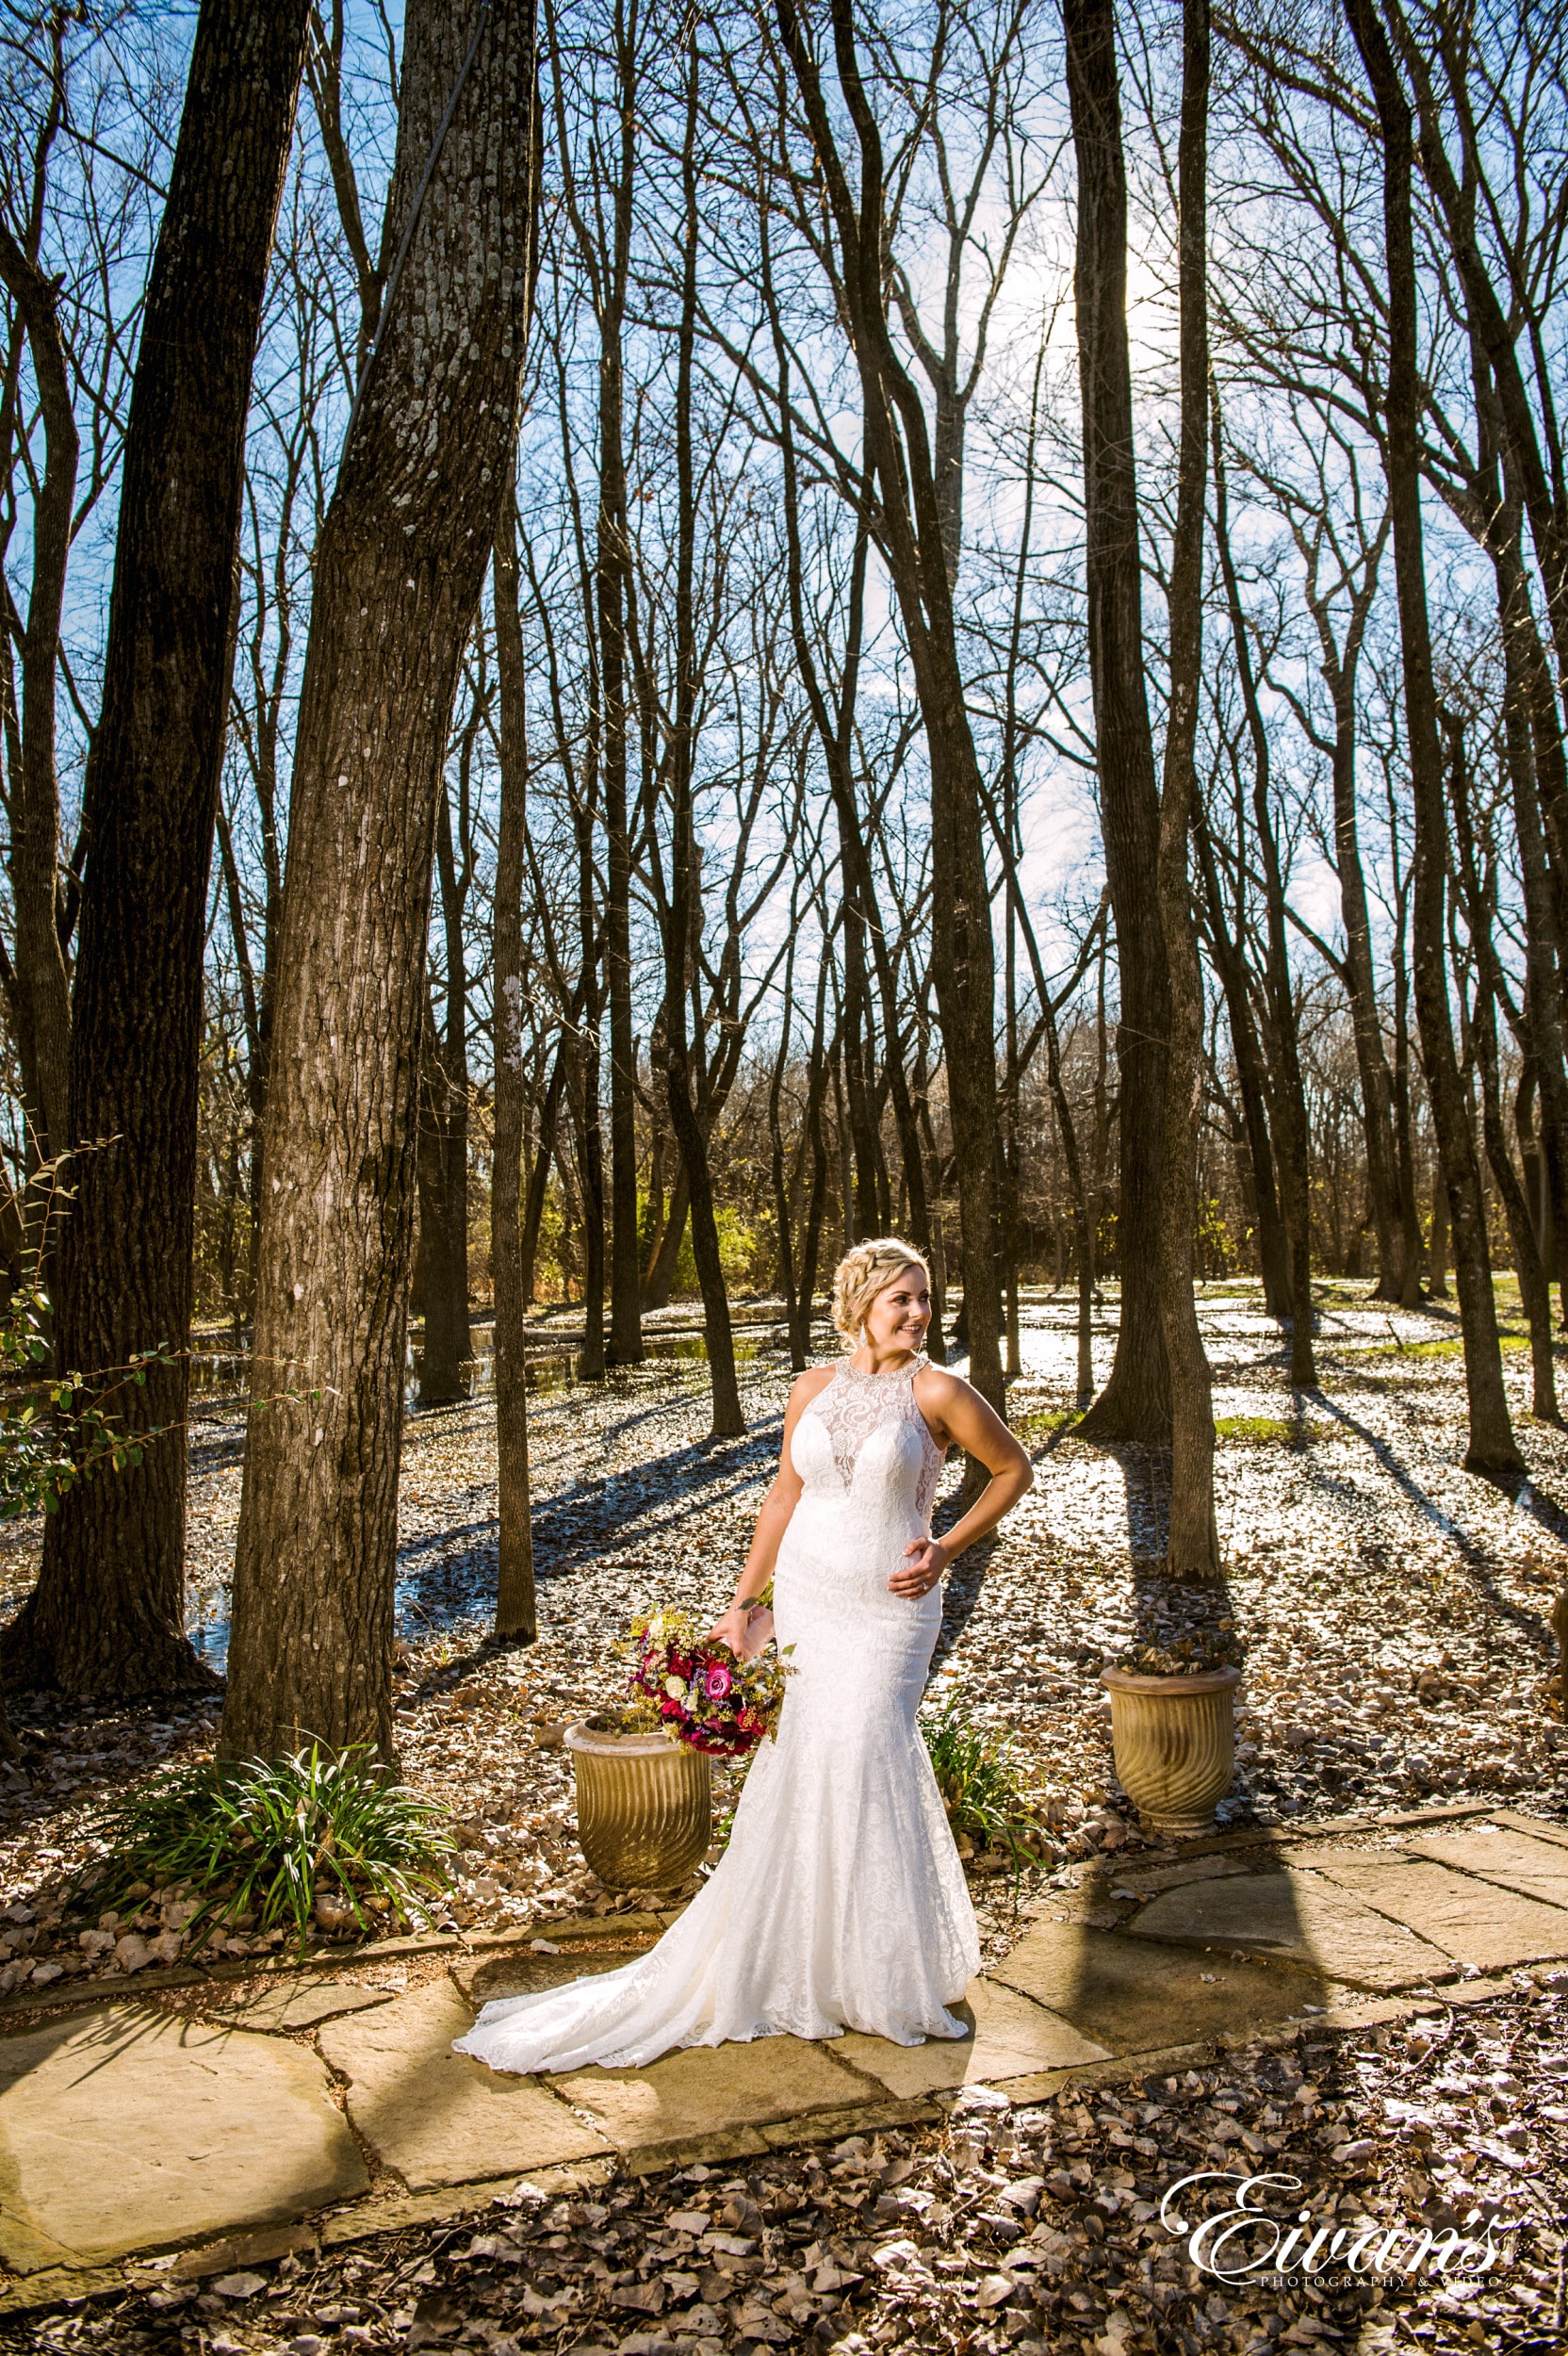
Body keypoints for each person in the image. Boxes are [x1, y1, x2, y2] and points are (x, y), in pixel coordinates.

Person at [453, 1238, 1032, 2074]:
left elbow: (1012, 1469)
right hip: (807, 1599)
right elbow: (785, 1495)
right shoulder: (811, 1389)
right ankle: (803, 1958)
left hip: (889, 1605)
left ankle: (881, 1969)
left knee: (869, 1750)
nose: (917, 1312)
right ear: (860, 1304)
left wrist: (944, 1549)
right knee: (804, 1762)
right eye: (899, 1298)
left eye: (924, 1297)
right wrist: (747, 1604)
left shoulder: (938, 1389)